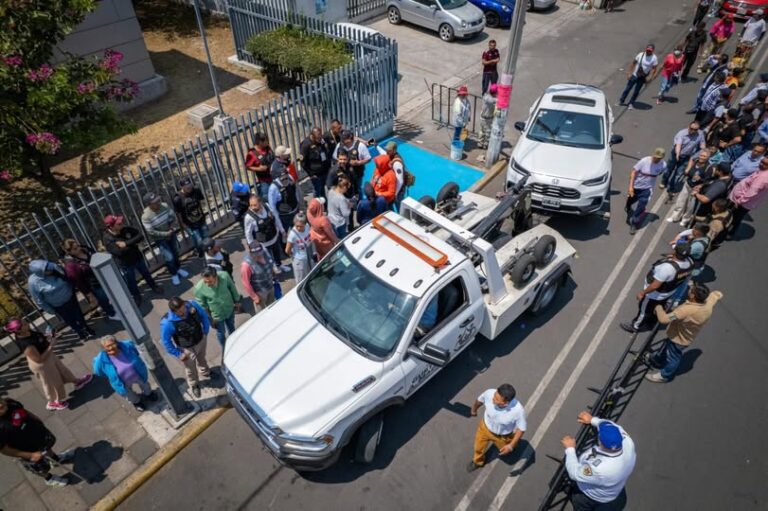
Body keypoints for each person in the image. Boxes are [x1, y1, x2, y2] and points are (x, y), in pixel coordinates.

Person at [4, 318, 93, 411]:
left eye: (26, 322)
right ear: (18, 330)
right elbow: (39, 360)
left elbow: (38, 339)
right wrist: (51, 345)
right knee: (53, 383)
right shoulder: (26, 344)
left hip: (48, 355)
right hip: (42, 365)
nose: (28, 324)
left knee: (63, 370)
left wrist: (49, 336)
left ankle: (76, 382)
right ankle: (53, 402)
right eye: (25, 324)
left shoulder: (26, 331)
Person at [645, 282, 722, 382]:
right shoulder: (708, 303)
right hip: (688, 334)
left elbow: (664, 319)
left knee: (673, 356)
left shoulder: (686, 310)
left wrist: (658, 307)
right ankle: (658, 359)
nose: (689, 289)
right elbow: (717, 294)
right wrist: (692, 284)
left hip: (679, 338)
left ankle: (664, 375)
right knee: (666, 346)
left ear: (692, 296)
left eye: (691, 290)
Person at [561, 412, 636, 511]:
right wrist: (592, 420)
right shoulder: (627, 443)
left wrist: (570, 449)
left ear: (601, 443)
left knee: (579, 502)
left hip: (594, 497)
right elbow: (611, 426)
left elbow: (574, 473)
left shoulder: (599, 469)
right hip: (614, 489)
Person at [0, 397, 76, 487]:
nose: (0, 404)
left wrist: (37, 420)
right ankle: (49, 478)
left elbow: (25, 411)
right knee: (38, 467)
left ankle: (56, 460)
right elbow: (4, 450)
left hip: (38, 435)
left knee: (47, 447)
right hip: (27, 449)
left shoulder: (10, 402)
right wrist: (30, 455)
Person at [620, 243, 693, 333]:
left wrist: (643, 293)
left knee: (644, 310)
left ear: (675, 251)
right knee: (658, 307)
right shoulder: (690, 262)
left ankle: (635, 326)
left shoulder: (667, 269)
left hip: (654, 294)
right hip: (668, 292)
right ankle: (653, 321)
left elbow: (655, 285)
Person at [160, 296, 214, 398]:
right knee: (190, 369)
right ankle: (194, 384)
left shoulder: (192, 305)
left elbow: (203, 316)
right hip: (187, 349)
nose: (184, 312)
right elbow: (166, 342)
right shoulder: (168, 323)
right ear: (173, 311)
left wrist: (205, 331)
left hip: (200, 339)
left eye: (184, 308)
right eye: (180, 311)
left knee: (202, 358)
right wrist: (178, 354)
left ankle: (205, 372)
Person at [103, 214, 162, 306]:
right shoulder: (107, 239)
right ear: (111, 227)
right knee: (131, 282)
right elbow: (119, 252)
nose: (122, 223)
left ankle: (154, 286)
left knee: (146, 274)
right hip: (125, 264)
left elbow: (140, 236)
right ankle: (136, 296)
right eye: (118, 224)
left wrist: (126, 243)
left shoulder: (125, 229)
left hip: (137, 257)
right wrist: (133, 244)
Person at [27, 260, 94, 340]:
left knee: (78, 314)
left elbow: (67, 276)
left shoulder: (55, 268)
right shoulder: (33, 282)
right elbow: (38, 299)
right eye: (47, 270)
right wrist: (50, 310)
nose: (50, 270)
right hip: (58, 305)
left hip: (70, 297)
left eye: (49, 267)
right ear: (40, 273)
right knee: (69, 319)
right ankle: (79, 331)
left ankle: (86, 327)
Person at [467, 384, 526, 472]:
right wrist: (473, 410)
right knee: (478, 448)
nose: (493, 399)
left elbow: (521, 429)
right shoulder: (489, 393)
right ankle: (478, 462)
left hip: (502, 436)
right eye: (495, 395)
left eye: (496, 399)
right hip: (484, 428)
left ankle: (512, 445)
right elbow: (479, 400)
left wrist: (511, 446)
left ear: (506, 403)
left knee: (506, 450)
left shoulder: (518, 411)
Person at [93, 335, 157, 411]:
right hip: (122, 382)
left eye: (112, 344)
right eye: (107, 346)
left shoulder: (127, 345)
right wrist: (111, 375)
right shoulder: (100, 360)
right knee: (130, 395)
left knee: (145, 385)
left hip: (138, 374)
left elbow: (137, 351)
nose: (111, 348)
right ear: (104, 348)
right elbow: (98, 372)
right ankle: (137, 403)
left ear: (117, 343)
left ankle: (149, 394)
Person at [60, 239, 118, 321]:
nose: (79, 249)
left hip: (102, 276)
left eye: (78, 246)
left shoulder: (86, 249)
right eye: (75, 249)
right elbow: (78, 281)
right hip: (93, 284)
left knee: (111, 295)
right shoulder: (71, 265)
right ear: (68, 252)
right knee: (103, 299)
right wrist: (89, 294)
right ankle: (111, 314)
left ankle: (115, 308)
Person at [141, 192, 188, 287]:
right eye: (155, 202)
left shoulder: (164, 206)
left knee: (175, 253)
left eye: (158, 200)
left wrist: (171, 226)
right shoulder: (145, 216)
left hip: (171, 234)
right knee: (169, 257)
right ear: (149, 204)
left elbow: (172, 217)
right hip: (160, 239)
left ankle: (178, 268)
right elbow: (151, 231)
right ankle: (174, 274)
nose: (158, 203)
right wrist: (165, 233)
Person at [194, 266, 241, 347]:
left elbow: (232, 288)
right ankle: (224, 348)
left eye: (210, 281)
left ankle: (235, 344)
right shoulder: (199, 288)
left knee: (231, 327)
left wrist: (237, 301)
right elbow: (203, 307)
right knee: (221, 332)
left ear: (216, 277)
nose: (207, 284)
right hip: (216, 317)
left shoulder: (224, 276)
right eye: (205, 282)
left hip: (229, 309)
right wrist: (210, 319)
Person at [244, 194, 289, 273]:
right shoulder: (249, 217)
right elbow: (248, 234)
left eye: (255, 205)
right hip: (263, 243)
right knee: (267, 259)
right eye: (251, 205)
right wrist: (252, 247)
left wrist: (282, 230)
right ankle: (272, 272)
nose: (253, 207)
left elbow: (275, 218)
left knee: (277, 253)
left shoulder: (267, 207)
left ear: (260, 203)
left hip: (274, 237)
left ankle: (279, 265)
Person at [625, 148, 667, 234]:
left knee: (642, 205)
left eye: (659, 158)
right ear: (653, 155)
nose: (656, 159)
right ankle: (628, 205)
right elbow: (633, 172)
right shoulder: (644, 161)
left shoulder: (663, 165)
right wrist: (630, 187)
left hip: (647, 189)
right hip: (636, 186)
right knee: (632, 199)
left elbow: (660, 173)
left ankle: (634, 223)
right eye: (655, 157)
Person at [667, 149, 712, 225]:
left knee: (690, 206)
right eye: (701, 155)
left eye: (704, 156)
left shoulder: (709, 168)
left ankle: (685, 219)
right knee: (680, 201)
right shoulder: (696, 161)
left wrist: (700, 180)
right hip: (687, 184)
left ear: (708, 158)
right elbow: (689, 171)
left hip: (695, 189)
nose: (701, 157)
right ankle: (675, 217)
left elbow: (707, 181)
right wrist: (689, 172)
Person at [660, 121, 705, 192]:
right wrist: (677, 154)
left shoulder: (700, 134)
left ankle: (671, 188)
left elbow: (702, 144)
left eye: (695, 129)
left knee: (679, 173)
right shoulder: (682, 134)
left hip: (687, 157)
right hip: (675, 154)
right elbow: (678, 145)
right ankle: (664, 181)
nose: (693, 131)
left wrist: (700, 152)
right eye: (691, 128)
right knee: (669, 169)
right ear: (688, 127)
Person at [728, 158, 768, 236]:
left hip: (742, 203)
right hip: (744, 202)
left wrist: (739, 201)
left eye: (766, 164)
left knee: (734, 218)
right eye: (762, 162)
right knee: (735, 217)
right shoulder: (762, 171)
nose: (762, 164)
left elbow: (752, 192)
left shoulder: (763, 178)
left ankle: (728, 233)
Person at [268, 146, 303, 232]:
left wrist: (299, 205)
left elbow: (295, 191)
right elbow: (273, 207)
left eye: (286, 176)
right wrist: (281, 229)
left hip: (294, 209)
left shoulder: (288, 175)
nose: (288, 155)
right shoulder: (274, 187)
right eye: (286, 154)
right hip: (285, 215)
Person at [172, 177, 208, 257]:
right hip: (189, 224)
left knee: (205, 236)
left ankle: (206, 251)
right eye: (187, 187)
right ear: (182, 187)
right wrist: (183, 225)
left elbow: (201, 202)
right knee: (198, 240)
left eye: (190, 185)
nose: (189, 188)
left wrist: (203, 214)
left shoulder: (196, 190)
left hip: (201, 219)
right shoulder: (177, 198)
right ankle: (200, 252)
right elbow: (178, 213)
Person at [333, 130, 371, 200]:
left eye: (344, 139)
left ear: (350, 139)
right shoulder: (339, 145)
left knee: (358, 189)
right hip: (344, 174)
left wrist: (358, 163)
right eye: (342, 139)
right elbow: (335, 158)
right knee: (345, 190)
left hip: (357, 174)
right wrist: (341, 162)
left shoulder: (360, 146)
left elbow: (368, 159)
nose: (342, 141)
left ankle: (359, 202)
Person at [618, 44, 659, 109]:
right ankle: (621, 101)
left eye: (650, 51)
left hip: (642, 77)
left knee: (636, 91)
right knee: (627, 89)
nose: (648, 52)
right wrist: (629, 73)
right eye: (647, 50)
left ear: (653, 51)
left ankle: (631, 103)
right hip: (634, 75)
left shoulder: (654, 58)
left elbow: (654, 68)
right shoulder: (640, 55)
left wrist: (650, 77)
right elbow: (633, 63)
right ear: (646, 49)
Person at [241, 242, 277, 313]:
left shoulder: (265, 253)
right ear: (250, 252)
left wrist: (274, 274)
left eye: (259, 253)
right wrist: (254, 297)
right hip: (259, 293)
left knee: (273, 308)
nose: (258, 256)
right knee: (262, 313)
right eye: (255, 254)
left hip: (270, 286)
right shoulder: (246, 265)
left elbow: (271, 263)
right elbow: (246, 283)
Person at [299, 127, 332, 199]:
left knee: (322, 190)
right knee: (317, 192)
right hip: (315, 174)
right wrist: (310, 174)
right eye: (318, 138)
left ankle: (323, 203)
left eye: (320, 136)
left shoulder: (321, 141)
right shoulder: (306, 144)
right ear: (312, 136)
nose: (320, 139)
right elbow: (303, 162)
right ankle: (317, 204)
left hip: (324, 171)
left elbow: (326, 152)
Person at [285, 212, 314, 283]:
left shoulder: (307, 226)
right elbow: (287, 250)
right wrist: (294, 256)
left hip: (308, 256)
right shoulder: (292, 235)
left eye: (301, 226)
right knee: (300, 280)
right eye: (297, 226)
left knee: (309, 276)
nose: (299, 228)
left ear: (304, 224)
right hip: (299, 260)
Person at [244, 132, 274, 198]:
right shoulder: (252, 153)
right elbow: (247, 166)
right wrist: (259, 169)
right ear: (260, 142)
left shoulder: (267, 148)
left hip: (274, 177)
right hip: (265, 182)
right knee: (267, 198)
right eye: (266, 141)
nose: (268, 142)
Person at [479, 84, 498, 149]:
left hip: (482, 117)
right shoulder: (490, 99)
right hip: (488, 118)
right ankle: (485, 144)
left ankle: (480, 143)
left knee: (482, 131)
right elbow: (495, 100)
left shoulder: (486, 96)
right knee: (488, 132)